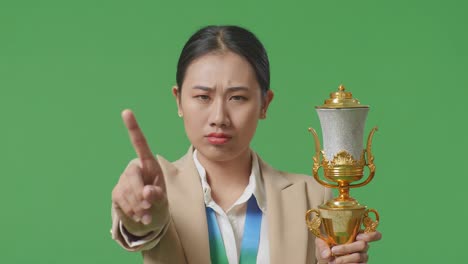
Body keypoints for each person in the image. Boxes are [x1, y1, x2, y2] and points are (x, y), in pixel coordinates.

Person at [110, 25, 381, 264]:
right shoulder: (155, 187)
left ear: (264, 104)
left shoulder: (313, 198)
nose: (219, 118)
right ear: (178, 100)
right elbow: (140, 227)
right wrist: (142, 218)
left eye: (237, 98)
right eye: (203, 97)